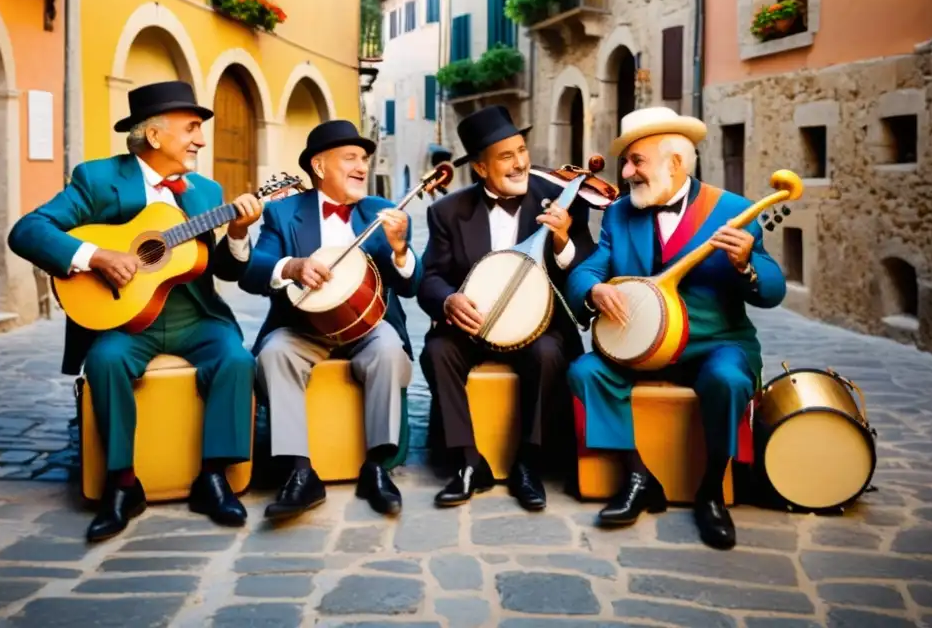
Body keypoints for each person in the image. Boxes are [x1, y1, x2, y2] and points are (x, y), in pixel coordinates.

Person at [8, 81, 261, 542]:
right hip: (127, 320)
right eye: (191, 129)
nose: (201, 140)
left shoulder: (207, 191)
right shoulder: (99, 179)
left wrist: (240, 232)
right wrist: (96, 256)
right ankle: (123, 485)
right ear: (155, 135)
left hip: (196, 316)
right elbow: (28, 230)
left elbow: (222, 268)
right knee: (104, 362)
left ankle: (213, 477)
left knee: (238, 360)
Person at [565, 106, 787, 550]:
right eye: (625, 161)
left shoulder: (734, 210)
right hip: (642, 348)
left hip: (715, 344)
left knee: (727, 379)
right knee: (585, 371)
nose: (625, 172)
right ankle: (638, 477)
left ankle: (710, 492)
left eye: (636, 161)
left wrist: (745, 264)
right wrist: (592, 291)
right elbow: (591, 267)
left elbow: (773, 289)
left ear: (676, 163)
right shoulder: (619, 214)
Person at [240, 120, 421, 519]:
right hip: (303, 327)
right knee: (274, 354)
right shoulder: (284, 213)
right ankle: (300, 474)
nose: (361, 167)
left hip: (368, 325)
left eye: (364, 160)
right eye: (350, 158)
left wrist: (401, 250)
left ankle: (378, 467)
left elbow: (410, 287)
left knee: (389, 350)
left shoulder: (380, 212)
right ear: (320, 167)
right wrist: (292, 267)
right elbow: (253, 270)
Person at [418, 105, 595, 511]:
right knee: (438, 350)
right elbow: (430, 277)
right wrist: (448, 299)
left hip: (539, 325)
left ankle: (528, 463)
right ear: (480, 168)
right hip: (475, 325)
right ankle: (466, 461)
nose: (520, 163)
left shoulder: (561, 201)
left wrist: (563, 239)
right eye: (506, 156)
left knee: (550, 353)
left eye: (521, 150)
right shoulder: (447, 212)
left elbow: (584, 267)